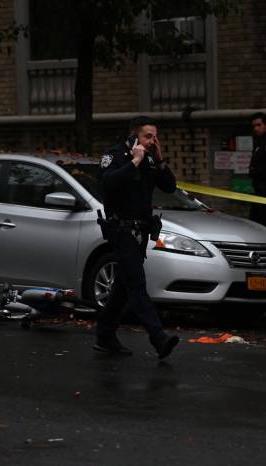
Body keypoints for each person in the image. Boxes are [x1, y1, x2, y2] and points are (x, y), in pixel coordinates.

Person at [95, 116, 180, 359]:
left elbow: (170, 187)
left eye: (155, 136)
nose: (152, 141)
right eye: (147, 136)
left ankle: (104, 335)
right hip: (121, 231)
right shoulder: (115, 156)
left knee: (123, 287)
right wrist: (134, 161)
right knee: (137, 284)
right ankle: (158, 338)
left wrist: (160, 159)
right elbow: (107, 184)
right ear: (133, 136)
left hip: (140, 232)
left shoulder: (152, 159)